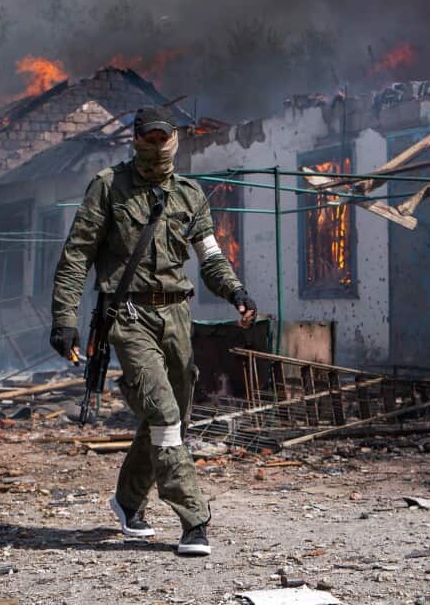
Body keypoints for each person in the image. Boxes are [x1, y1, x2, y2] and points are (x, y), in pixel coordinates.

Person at [49, 106, 256, 557]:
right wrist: (64, 318)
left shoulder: (189, 194)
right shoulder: (109, 187)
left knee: (172, 418)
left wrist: (237, 293)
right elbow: (76, 256)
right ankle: (194, 519)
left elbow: (211, 257)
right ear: (137, 139)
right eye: (150, 137)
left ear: (175, 140)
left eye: (165, 137)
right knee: (163, 416)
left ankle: (126, 502)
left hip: (178, 318)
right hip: (127, 316)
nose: (158, 145)